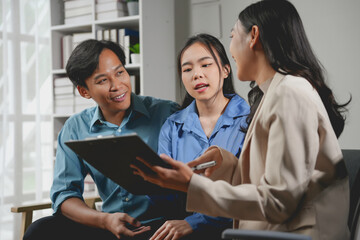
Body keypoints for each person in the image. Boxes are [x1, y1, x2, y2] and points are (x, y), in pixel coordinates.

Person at [131, 0, 351, 239]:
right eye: (187, 69)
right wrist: (224, 162)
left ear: (253, 36)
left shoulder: (290, 92)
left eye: (233, 36)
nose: (232, 50)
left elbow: (278, 202)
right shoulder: (275, 93)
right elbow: (267, 182)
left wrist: (190, 185)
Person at [23, 39, 179, 240]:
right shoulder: (75, 128)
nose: (117, 85)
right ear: (84, 91)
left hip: (162, 227)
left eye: (120, 72)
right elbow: (64, 195)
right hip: (109, 227)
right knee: (41, 231)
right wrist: (104, 220)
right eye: (102, 80)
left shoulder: (167, 112)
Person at [151, 34, 250, 240]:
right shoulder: (172, 126)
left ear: (225, 70)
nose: (196, 74)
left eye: (205, 65)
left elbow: (248, 191)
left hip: (236, 230)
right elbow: (167, 196)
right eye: (187, 69)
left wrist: (195, 222)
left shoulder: (250, 120)